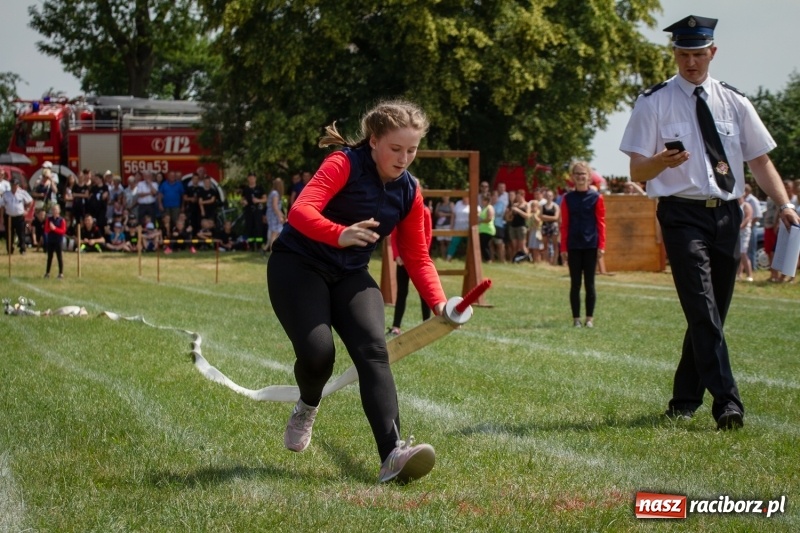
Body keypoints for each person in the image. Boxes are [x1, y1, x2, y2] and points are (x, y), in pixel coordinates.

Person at [620, 14, 800, 430]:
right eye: (684, 54)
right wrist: (658, 162)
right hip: (681, 215)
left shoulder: (735, 101)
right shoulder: (654, 101)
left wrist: (785, 204)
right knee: (702, 309)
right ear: (675, 54)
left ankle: (684, 399)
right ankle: (727, 403)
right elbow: (636, 172)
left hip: (727, 215)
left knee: (712, 312)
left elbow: (760, 160)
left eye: (699, 54)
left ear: (712, 52)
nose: (691, 63)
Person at [267, 100, 446, 484]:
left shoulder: (410, 191)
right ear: (374, 140)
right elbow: (301, 210)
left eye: (411, 150)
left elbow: (417, 256)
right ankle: (307, 404)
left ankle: (392, 455)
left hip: (351, 274)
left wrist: (440, 303)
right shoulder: (343, 163)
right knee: (319, 354)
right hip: (298, 265)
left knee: (373, 350)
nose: (403, 159)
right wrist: (339, 233)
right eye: (395, 149)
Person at [559, 161, 606, 328]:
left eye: (583, 174)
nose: (580, 176)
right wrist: (563, 247)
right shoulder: (567, 199)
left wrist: (601, 245)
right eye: (577, 174)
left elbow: (601, 222)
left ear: (589, 176)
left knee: (590, 283)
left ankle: (589, 318)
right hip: (573, 245)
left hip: (591, 245)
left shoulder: (596, 197)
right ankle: (576, 319)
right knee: (575, 283)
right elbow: (564, 224)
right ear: (572, 177)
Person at [388, 182, 433, 336]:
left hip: (418, 260)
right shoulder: (399, 211)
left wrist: (420, 256)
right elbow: (394, 235)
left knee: (423, 292)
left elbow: (427, 235)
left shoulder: (425, 211)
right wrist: (397, 255)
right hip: (402, 261)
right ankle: (395, 327)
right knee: (402, 293)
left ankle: (427, 325)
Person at [1, 178, 33, 255]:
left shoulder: (22, 193)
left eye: (15, 185)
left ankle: (22, 249)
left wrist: (27, 210)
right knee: (9, 234)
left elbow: (30, 201)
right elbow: (2, 206)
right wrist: (1, 217)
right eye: (12, 185)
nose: (14, 187)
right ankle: (9, 250)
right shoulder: (6, 194)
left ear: (18, 185)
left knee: (21, 234)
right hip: (9, 217)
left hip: (19, 217)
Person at [240, 172, 267, 250]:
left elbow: (265, 199)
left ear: (255, 178)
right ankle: (251, 245)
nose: (251, 180)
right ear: (248, 179)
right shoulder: (246, 189)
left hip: (258, 210)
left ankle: (259, 245)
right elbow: (242, 199)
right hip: (248, 211)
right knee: (249, 227)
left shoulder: (260, 188)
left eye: (253, 178)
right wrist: (243, 202)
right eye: (250, 178)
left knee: (258, 227)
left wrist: (258, 200)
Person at [43, 204, 67, 278]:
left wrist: (54, 229)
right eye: (53, 209)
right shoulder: (49, 219)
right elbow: (46, 230)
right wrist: (51, 228)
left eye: (56, 209)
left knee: (59, 257)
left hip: (58, 241)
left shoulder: (61, 220)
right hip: (51, 240)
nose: (55, 211)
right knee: (49, 257)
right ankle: (47, 273)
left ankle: (61, 273)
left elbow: (63, 231)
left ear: (59, 211)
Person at [743, 184, 762, 271]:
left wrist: (751, 225)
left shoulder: (753, 200)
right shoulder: (745, 200)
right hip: (747, 227)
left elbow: (757, 215)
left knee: (751, 249)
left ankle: (753, 268)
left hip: (752, 227)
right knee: (745, 250)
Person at [540, 189, 560, 265]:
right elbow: (540, 216)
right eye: (547, 196)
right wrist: (548, 217)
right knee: (545, 245)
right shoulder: (542, 206)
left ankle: (554, 262)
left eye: (550, 196)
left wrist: (545, 217)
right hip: (545, 226)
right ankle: (546, 261)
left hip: (553, 226)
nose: (549, 197)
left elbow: (556, 217)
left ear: (553, 197)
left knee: (555, 245)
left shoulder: (555, 206)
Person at [265, 177, 285, 252]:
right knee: (274, 232)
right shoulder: (275, 193)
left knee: (274, 232)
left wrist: (282, 215)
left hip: (272, 214)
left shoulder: (273, 192)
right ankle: (272, 250)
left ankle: (266, 248)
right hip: (273, 215)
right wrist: (280, 216)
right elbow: (275, 206)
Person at [737, 197, 753, 282]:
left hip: (745, 232)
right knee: (738, 253)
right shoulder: (737, 205)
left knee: (743, 252)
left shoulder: (746, 205)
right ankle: (739, 274)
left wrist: (740, 227)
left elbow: (748, 217)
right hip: (738, 232)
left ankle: (749, 275)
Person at [477, 192, 495, 262]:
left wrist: (480, 221)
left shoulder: (489, 208)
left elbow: (489, 218)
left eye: (483, 200)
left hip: (487, 230)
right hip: (483, 230)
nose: (482, 202)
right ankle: (487, 259)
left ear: (487, 201)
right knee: (484, 245)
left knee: (484, 246)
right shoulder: (484, 208)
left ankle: (489, 260)